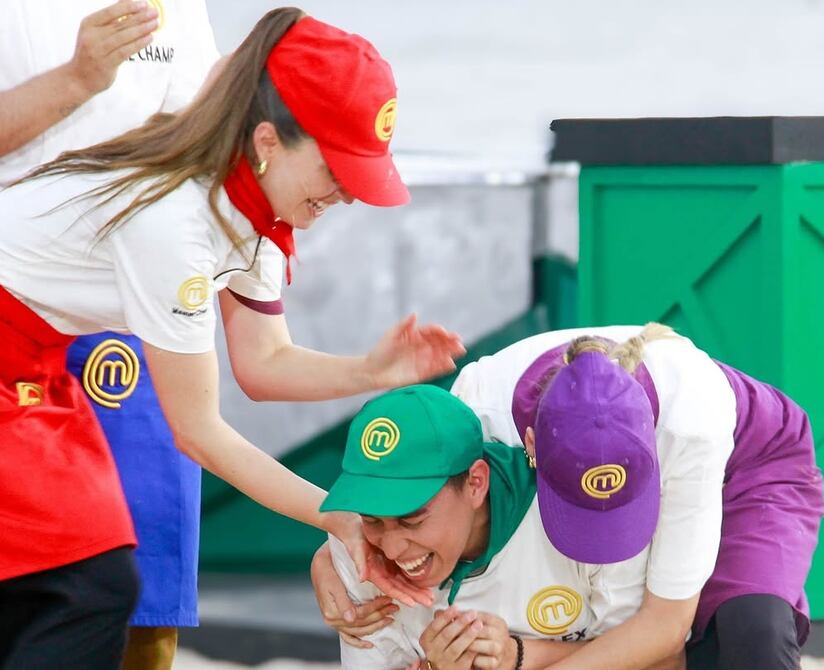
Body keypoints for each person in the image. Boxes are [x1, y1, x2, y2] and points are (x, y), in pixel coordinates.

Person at [0, 8, 458, 668]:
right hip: (18, 357)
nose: (348, 195)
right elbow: (197, 431)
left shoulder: (256, 205)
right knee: (85, 588)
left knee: (89, 583)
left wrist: (369, 372)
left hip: (35, 360)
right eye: (337, 169)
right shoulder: (175, 220)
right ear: (268, 140)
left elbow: (263, 362)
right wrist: (338, 516)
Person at [314, 324, 824, 670]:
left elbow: (663, 631)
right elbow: (409, 479)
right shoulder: (482, 410)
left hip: (749, 463)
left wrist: (517, 658)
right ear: (530, 445)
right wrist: (340, 548)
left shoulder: (689, 428)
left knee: (751, 633)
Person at [1, 2, 221, 666]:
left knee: (140, 599)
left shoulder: (177, 8)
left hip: (128, 324)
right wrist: (75, 79)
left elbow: (201, 140)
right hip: (17, 308)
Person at [321, 384, 668, 670]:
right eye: (371, 519)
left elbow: (662, 661)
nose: (392, 548)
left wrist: (517, 656)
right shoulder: (361, 555)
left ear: (476, 483)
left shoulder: (583, 515)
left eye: (412, 519)